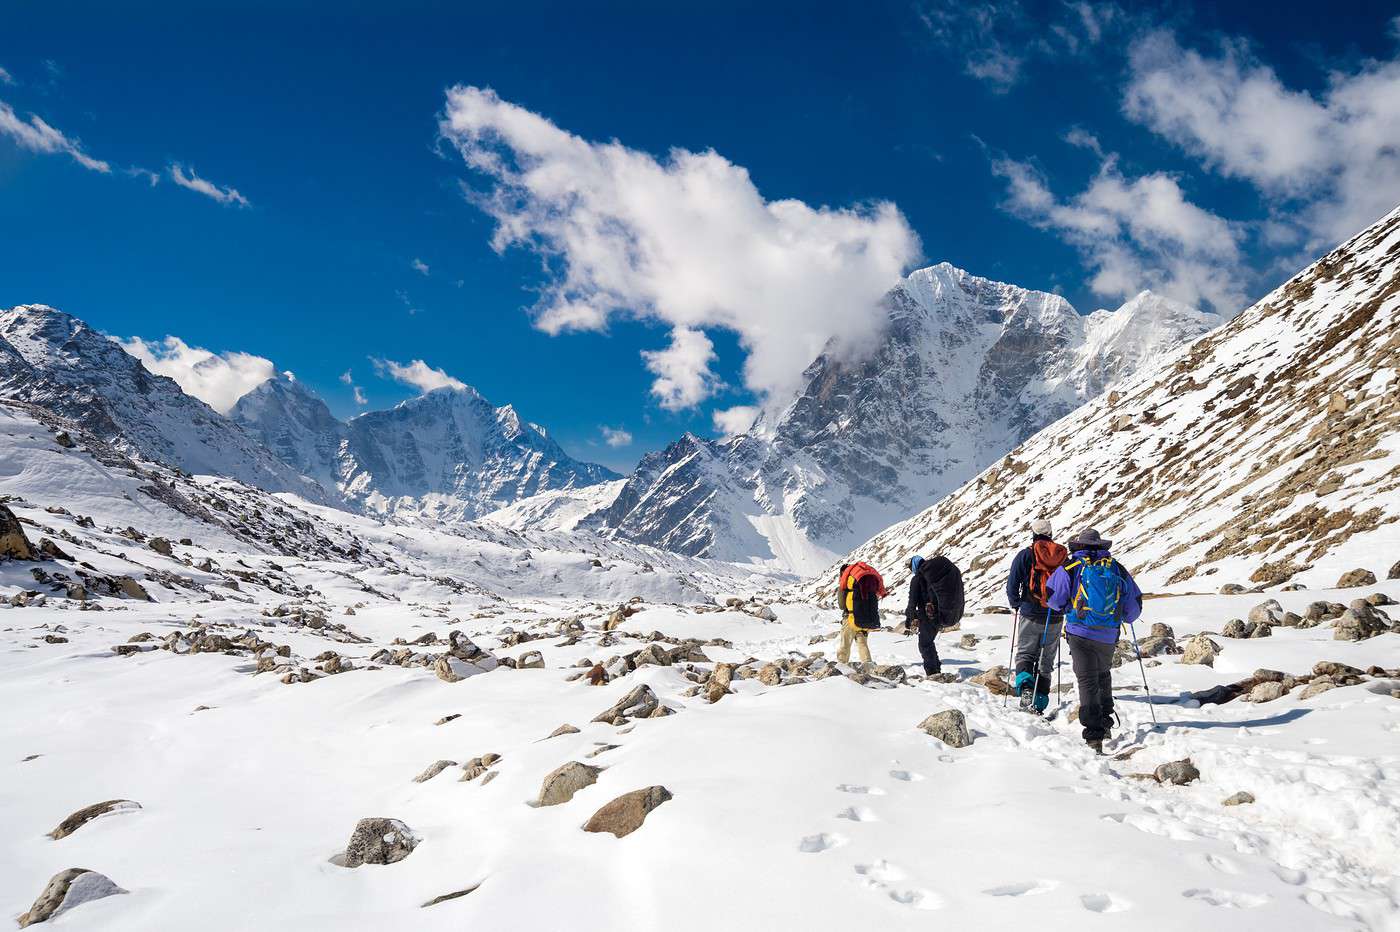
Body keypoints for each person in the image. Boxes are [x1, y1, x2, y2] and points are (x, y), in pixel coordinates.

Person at [1046, 528, 1143, 753]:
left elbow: (1053, 598)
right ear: (1101, 545)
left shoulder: (1071, 566)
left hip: (1079, 632)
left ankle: (1094, 735)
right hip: (1108, 634)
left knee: (1087, 680)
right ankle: (1106, 721)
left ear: (1079, 545)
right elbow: (1133, 605)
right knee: (1103, 674)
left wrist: (1066, 608)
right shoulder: (1115, 567)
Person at [1004, 519, 1068, 714]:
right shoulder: (1062, 556)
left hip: (1030, 613)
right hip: (1055, 615)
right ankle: (1040, 702)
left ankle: (1025, 690)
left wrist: (1018, 604)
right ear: (1050, 532)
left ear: (1033, 533)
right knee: (1046, 660)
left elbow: (1012, 585)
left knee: (1025, 654)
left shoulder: (1026, 555)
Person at [906, 554, 965, 676]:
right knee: (929, 642)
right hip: (938, 614)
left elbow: (912, 602)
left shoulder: (917, 579)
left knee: (924, 644)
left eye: (910, 567)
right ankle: (936, 667)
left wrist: (909, 619)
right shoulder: (933, 575)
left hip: (926, 615)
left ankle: (933, 672)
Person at [836, 561, 887, 666]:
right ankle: (868, 665)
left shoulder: (846, 582)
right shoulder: (862, 580)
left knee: (845, 644)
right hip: (864, 618)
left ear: (843, 573)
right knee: (862, 643)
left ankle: (841, 666)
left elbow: (841, 605)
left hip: (849, 618)